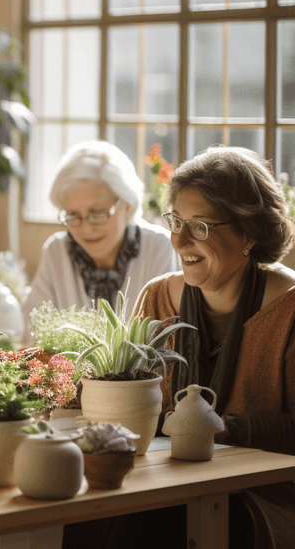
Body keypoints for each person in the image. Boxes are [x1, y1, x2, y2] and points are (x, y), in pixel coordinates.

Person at [124, 146, 295, 548]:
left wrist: (222, 431)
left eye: (200, 227)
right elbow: (124, 395)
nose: (179, 239)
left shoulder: (289, 310)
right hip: (161, 486)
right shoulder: (156, 299)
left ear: (250, 233)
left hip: (266, 496)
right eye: (176, 221)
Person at [23, 140, 179, 341]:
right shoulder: (57, 250)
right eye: (72, 215)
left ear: (127, 206)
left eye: (97, 214)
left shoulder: (159, 247)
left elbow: (166, 341)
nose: (86, 228)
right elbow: (33, 331)